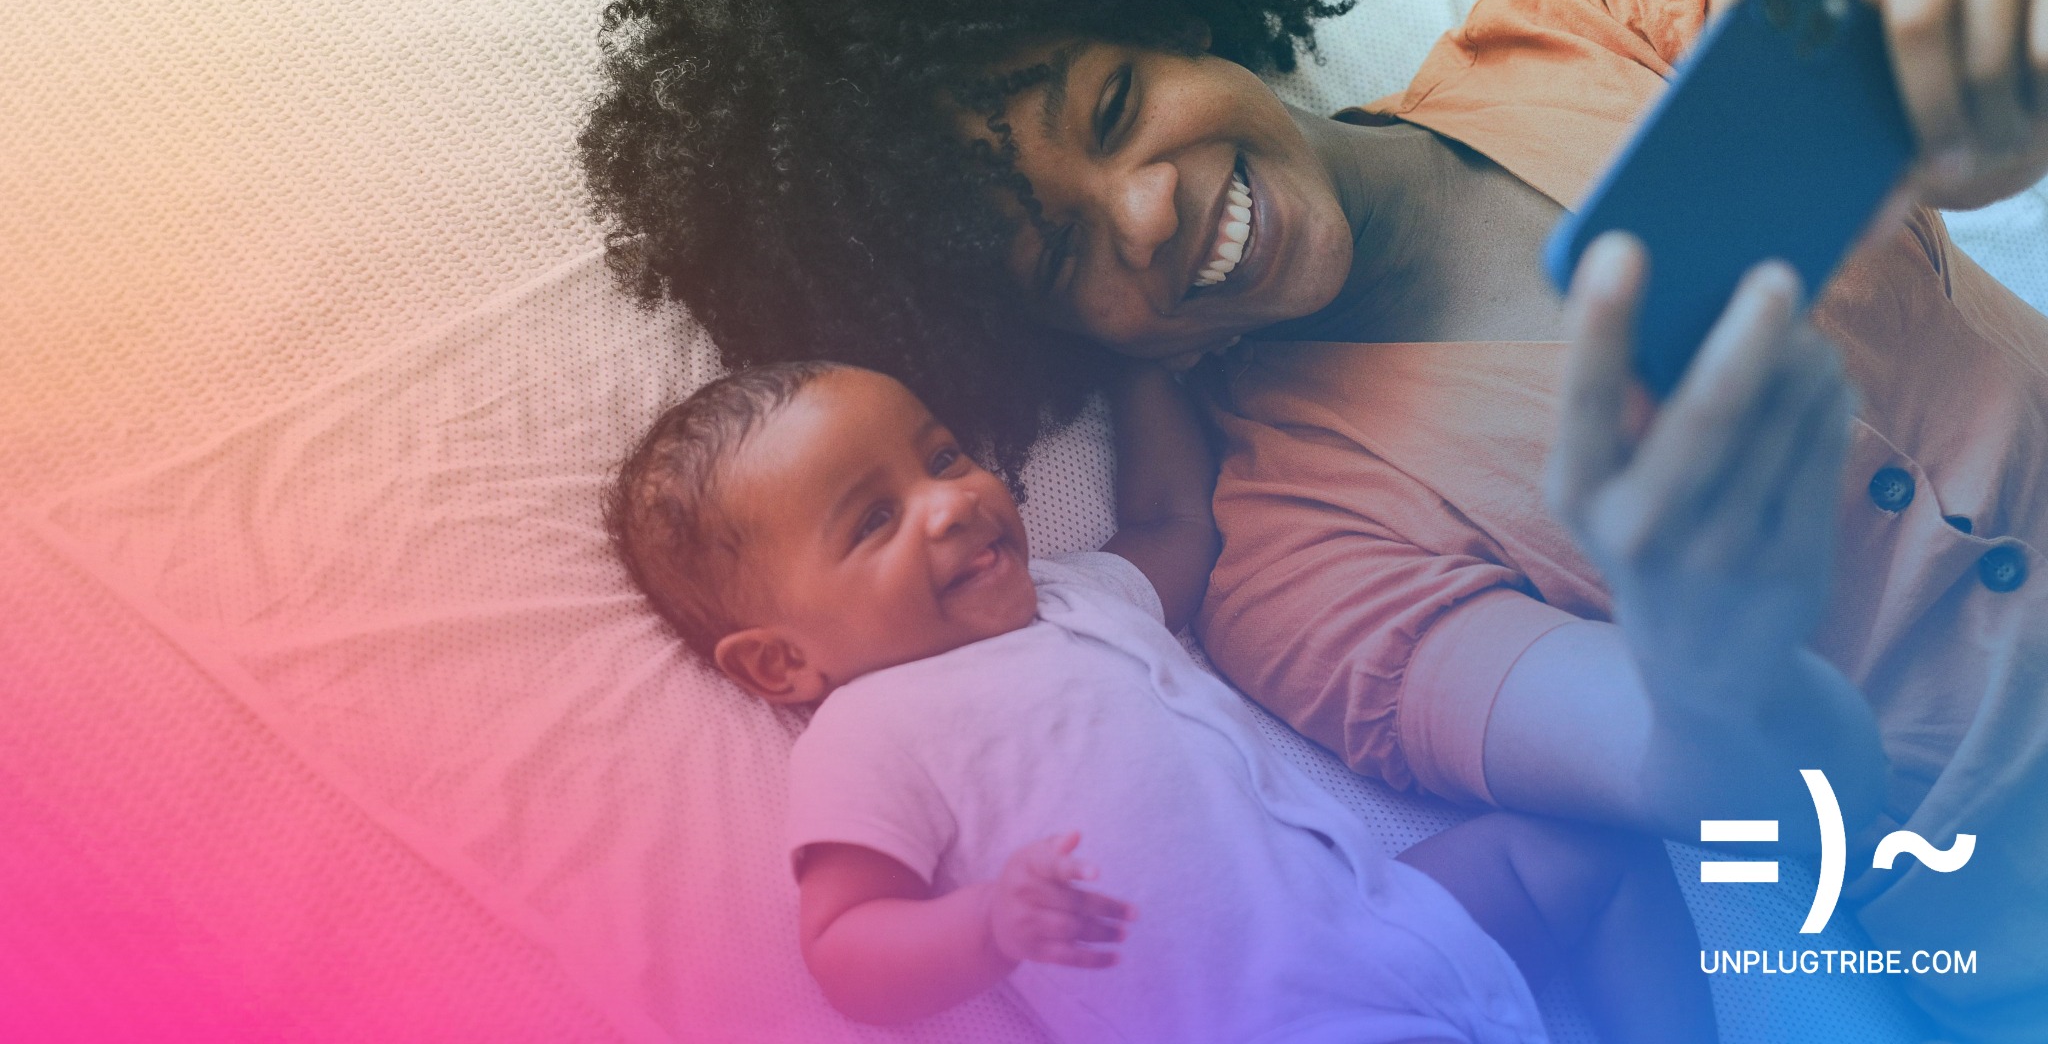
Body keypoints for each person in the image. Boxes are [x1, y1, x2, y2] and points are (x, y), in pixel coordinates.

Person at [580, 0, 2048, 1034]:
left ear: (1173, 4)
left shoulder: (1579, 9)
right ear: (1037, 342)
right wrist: (1711, 657)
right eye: (1067, 251)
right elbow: (1758, 792)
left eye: (1111, 108)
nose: (1147, 207)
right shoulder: (1293, 567)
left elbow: (1967, 107)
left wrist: (1987, 57)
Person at [603, 359, 1717, 1043]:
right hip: (1251, 1021)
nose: (949, 502)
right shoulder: (864, 729)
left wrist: (1137, 372)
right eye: (872, 520)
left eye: (942, 455)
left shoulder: (1080, 593)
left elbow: (1178, 519)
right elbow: (844, 947)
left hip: (1381, 918)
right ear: (777, 664)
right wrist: (984, 923)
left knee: (1591, 852)